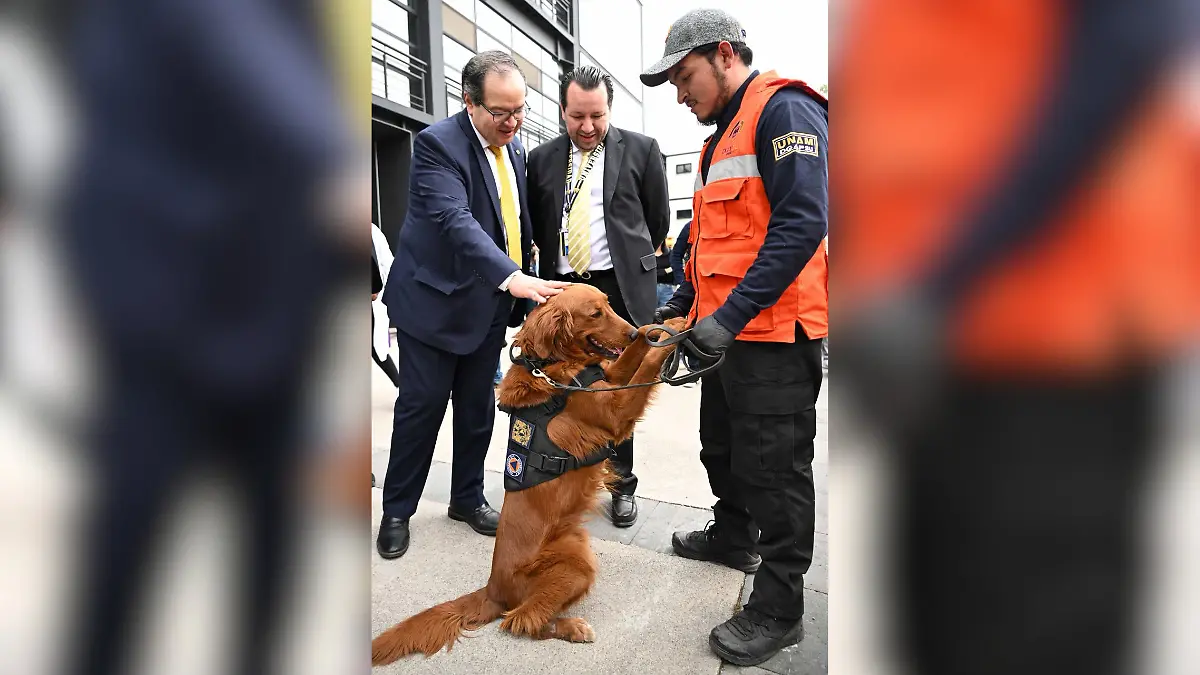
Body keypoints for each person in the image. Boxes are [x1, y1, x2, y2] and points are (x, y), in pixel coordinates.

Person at [642, 8, 829, 667]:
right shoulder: (719, 138)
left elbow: (800, 225)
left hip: (774, 336)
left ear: (724, 54)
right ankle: (730, 534)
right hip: (725, 336)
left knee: (775, 471)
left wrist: (725, 319)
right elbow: (712, 245)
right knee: (722, 447)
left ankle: (780, 608)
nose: (678, 92)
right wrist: (686, 310)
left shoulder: (785, 111)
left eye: (683, 76)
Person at [376, 51, 568, 560]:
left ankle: (466, 499)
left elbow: (516, 224)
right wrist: (513, 278)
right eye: (501, 112)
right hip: (433, 307)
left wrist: (527, 281)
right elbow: (455, 221)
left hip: (486, 307)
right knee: (421, 410)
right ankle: (397, 511)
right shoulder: (438, 145)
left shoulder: (516, 149)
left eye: (520, 109)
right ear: (469, 102)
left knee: (479, 410)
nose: (514, 122)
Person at [526, 65, 670, 527]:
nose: (587, 127)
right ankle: (566, 476)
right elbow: (538, 222)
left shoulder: (643, 151)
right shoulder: (541, 158)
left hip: (619, 291)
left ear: (610, 110)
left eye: (597, 116)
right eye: (577, 117)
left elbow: (658, 221)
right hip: (564, 293)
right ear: (562, 111)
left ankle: (620, 483)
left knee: (618, 390)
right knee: (563, 388)